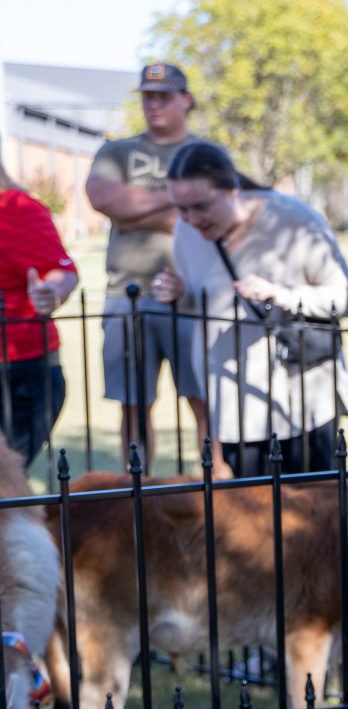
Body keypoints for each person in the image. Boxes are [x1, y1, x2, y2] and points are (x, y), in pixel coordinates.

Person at [153, 141, 348, 477]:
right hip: (237, 410)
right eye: (181, 209)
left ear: (233, 189)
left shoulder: (294, 219)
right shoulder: (185, 233)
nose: (191, 219)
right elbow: (208, 298)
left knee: (314, 520)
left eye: (201, 206)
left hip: (302, 404)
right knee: (255, 525)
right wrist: (181, 294)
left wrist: (281, 295)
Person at [86, 62, 219, 473]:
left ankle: (217, 487)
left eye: (164, 95)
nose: (154, 104)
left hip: (192, 297)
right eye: (148, 96)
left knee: (206, 403)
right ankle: (136, 492)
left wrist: (133, 209)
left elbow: (219, 213)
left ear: (186, 99)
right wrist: (179, 201)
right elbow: (105, 199)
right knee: (133, 407)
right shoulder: (117, 151)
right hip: (127, 297)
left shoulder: (205, 153)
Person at [0, 160, 79, 468]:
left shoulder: (16, 208)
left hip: (18, 373)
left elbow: (60, 272)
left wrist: (52, 291)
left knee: (6, 482)